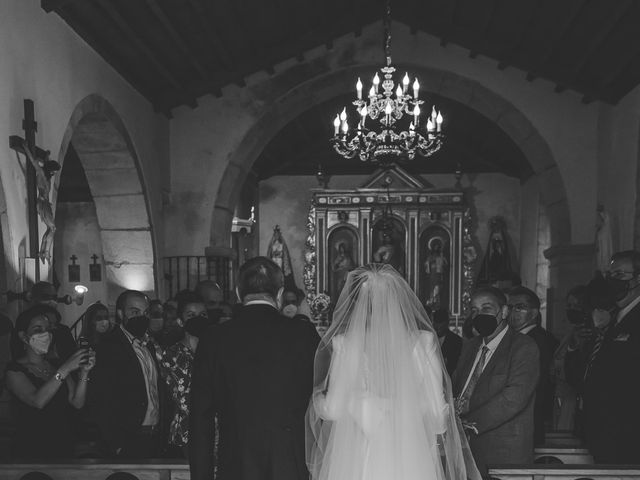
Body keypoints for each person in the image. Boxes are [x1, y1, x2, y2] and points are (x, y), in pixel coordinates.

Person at [307, 264, 479, 480]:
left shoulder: (346, 345)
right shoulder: (422, 344)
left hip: (360, 454)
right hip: (410, 453)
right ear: (399, 301)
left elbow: (333, 409)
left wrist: (319, 400)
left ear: (358, 305)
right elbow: (437, 418)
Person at [189, 256, 320, 480]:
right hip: (291, 466)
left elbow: (201, 417)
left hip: (236, 465)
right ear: (279, 295)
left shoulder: (214, 338)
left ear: (239, 294)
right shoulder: (303, 335)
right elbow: (321, 403)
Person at [452, 286, 539, 474]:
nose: (478, 314)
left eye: (486, 308)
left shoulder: (523, 347)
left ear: (505, 311)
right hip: (466, 449)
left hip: (503, 451)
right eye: (474, 310)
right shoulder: (469, 347)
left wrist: (470, 425)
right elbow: (456, 387)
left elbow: (514, 397)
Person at [565, 253, 640, 463]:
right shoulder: (611, 318)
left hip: (627, 429)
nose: (612, 280)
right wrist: (575, 346)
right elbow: (582, 376)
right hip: (601, 428)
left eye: (619, 274)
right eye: (610, 274)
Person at [5, 305, 95, 459]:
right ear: (23, 336)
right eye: (38, 329)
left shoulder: (56, 366)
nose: (45, 334)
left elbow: (77, 402)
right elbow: (37, 401)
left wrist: (84, 373)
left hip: (62, 442)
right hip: (31, 447)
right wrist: (65, 369)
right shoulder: (14, 370)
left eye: (48, 329)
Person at [90, 290, 166, 458]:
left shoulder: (148, 345)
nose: (141, 317)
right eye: (134, 312)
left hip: (154, 436)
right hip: (128, 438)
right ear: (120, 313)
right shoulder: (109, 347)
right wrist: (116, 443)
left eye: (145, 313)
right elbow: (101, 398)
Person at [160, 293, 211, 458]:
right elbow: (185, 396)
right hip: (188, 432)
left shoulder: (217, 350)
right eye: (191, 315)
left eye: (203, 315)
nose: (198, 319)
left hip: (217, 432)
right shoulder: (173, 354)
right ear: (181, 322)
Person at [507, 286, 558, 446]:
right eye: (509, 307)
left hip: (529, 416)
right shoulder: (515, 338)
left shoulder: (539, 340)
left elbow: (540, 384)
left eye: (519, 307)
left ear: (534, 313)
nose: (512, 312)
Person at [30, 281, 76, 363]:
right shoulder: (25, 324)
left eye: (54, 298)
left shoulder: (63, 330)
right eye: (46, 297)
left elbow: (72, 358)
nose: (51, 301)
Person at [432, 308, 462, 376]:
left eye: (440, 323)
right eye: (435, 322)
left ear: (447, 323)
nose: (437, 326)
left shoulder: (456, 341)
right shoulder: (428, 338)